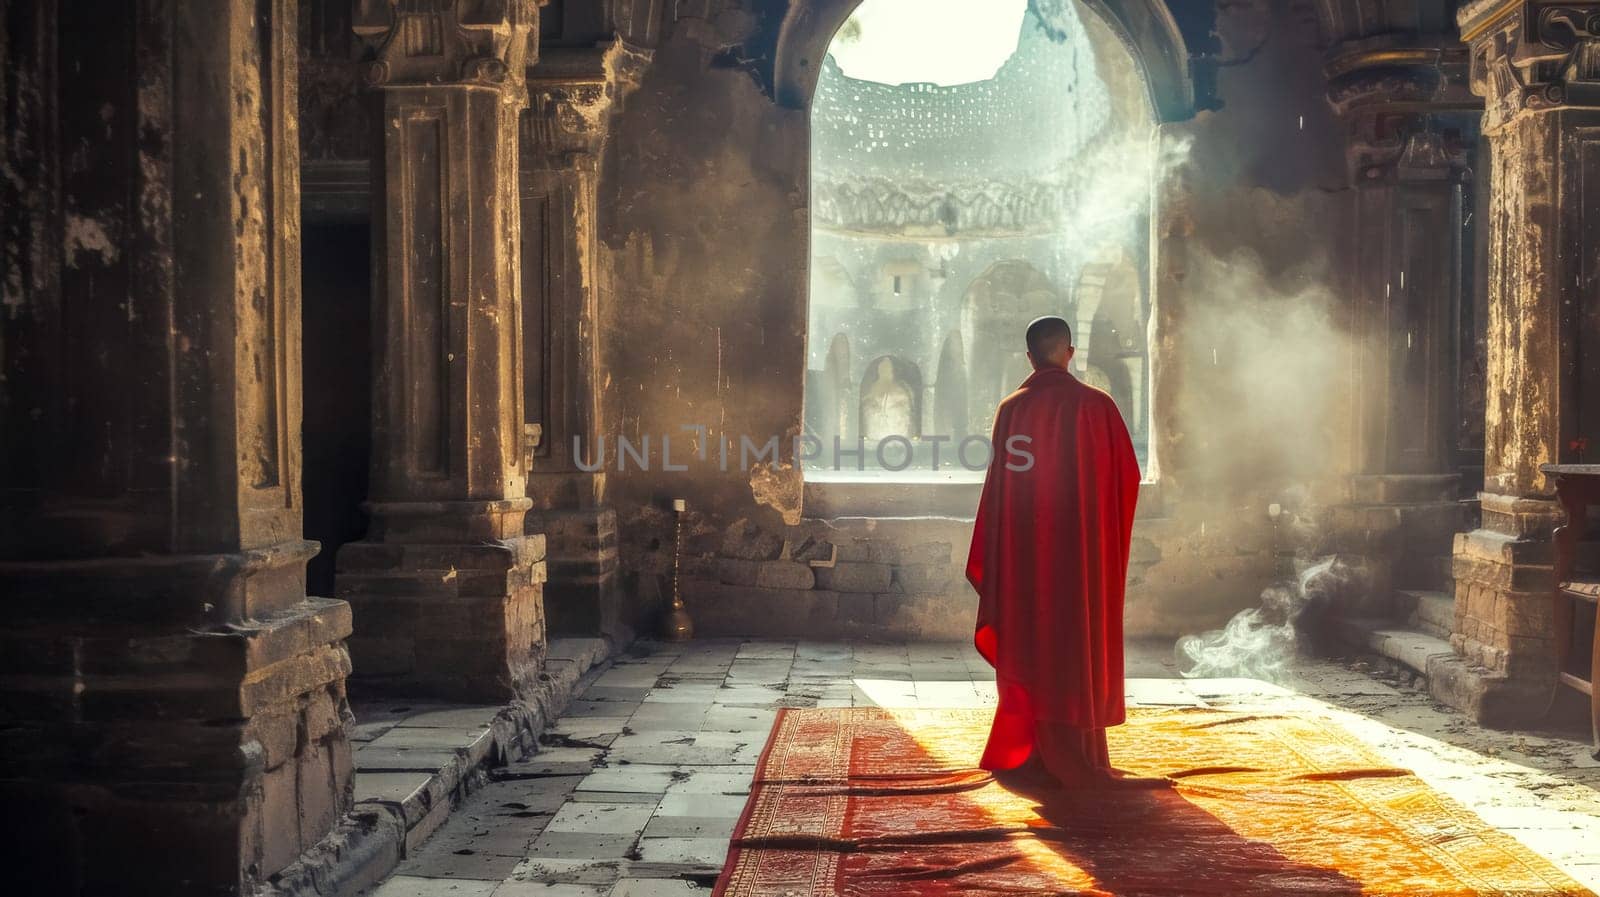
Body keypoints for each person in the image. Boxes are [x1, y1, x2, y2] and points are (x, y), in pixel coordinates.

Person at [966, 316, 1142, 787]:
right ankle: (1077, 744)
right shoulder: (1097, 406)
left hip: (1027, 555)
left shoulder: (1012, 409)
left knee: (1031, 635)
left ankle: (1029, 748)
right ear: (1070, 351)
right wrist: (1096, 528)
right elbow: (1127, 477)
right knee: (1076, 639)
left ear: (1029, 357)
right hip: (1081, 554)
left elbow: (1000, 489)